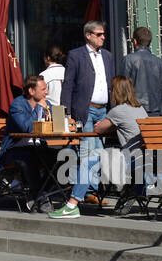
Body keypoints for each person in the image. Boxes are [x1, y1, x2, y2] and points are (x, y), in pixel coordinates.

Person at [49, 75, 147, 218]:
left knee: (88, 162)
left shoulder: (118, 111)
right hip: (143, 159)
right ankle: (135, 191)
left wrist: (107, 126)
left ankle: (71, 205)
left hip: (128, 160)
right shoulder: (140, 109)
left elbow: (98, 129)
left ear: (116, 92)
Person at [61, 21, 115, 156]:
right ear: (88, 35)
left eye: (103, 34)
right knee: (90, 149)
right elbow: (68, 85)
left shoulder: (107, 56)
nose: (103, 37)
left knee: (101, 151)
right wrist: (66, 112)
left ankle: (94, 177)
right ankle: (90, 177)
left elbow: (112, 83)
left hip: (104, 110)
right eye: (99, 34)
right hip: (85, 108)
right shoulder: (76, 55)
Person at [0, 75, 52, 188]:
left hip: (37, 147)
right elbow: (26, 128)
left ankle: (43, 191)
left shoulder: (47, 105)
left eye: (46, 89)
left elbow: (52, 124)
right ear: (31, 91)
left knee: (60, 157)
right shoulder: (17, 105)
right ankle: (37, 196)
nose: (47, 92)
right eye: (43, 89)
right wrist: (38, 108)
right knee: (28, 158)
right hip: (14, 149)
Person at [120, 27, 162, 119]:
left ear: (134, 42)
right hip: (156, 111)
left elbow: (122, 89)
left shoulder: (129, 60)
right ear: (149, 43)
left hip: (134, 110)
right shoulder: (159, 62)